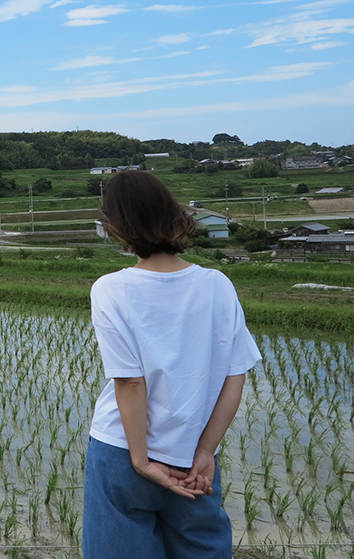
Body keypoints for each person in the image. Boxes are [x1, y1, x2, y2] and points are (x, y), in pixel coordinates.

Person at [83, 170, 261, 559]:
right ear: (173, 214)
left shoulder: (110, 289)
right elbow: (236, 375)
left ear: (117, 226)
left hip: (123, 452)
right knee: (203, 549)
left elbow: (131, 383)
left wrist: (141, 461)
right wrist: (205, 451)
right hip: (193, 455)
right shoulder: (217, 284)